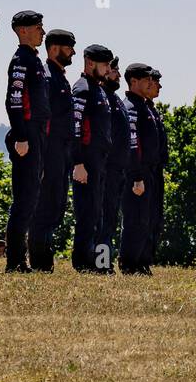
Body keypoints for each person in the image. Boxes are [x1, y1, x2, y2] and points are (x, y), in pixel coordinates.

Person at [2, 11, 49, 273]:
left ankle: (21, 259)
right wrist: (21, 136)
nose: (43, 32)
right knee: (24, 199)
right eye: (38, 27)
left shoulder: (34, 59)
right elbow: (15, 100)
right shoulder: (21, 60)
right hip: (27, 134)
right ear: (23, 31)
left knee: (31, 198)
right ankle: (15, 261)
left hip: (37, 134)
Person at [30, 29, 76, 271]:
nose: (73, 53)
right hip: (50, 151)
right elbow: (42, 118)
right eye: (69, 48)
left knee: (56, 205)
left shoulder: (60, 76)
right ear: (55, 48)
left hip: (62, 151)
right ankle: (39, 261)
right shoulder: (48, 76)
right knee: (45, 206)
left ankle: (44, 258)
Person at [70, 44, 115, 272]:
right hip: (86, 162)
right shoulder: (82, 89)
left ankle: (96, 263)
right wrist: (77, 162)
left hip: (99, 161)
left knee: (96, 214)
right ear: (89, 63)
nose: (108, 69)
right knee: (87, 214)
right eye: (105, 64)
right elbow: (75, 127)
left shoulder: (98, 89)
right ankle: (83, 263)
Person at [120, 63, 157, 275]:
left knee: (145, 219)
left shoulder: (142, 105)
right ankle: (129, 264)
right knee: (135, 219)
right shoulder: (132, 107)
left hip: (148, 171)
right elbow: (133, 145)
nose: (150, 83)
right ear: (133, 82)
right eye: (146, 80)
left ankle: (139, 263)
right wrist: (137, 176)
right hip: (137, 172)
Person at [99, 57, 132, 272]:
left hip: (117, 169)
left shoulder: (114, 98)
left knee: (110, 218)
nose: (118, 75)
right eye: (114, 70)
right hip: (106, 168)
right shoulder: (102, 97)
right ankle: (100, 262)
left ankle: (106, 261)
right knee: (102, 218)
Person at [146, 66, 168, 268]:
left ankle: (147, 260)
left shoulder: (152, 109)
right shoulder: (140, 109)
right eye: (155, 81)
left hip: (156, 170)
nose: (159, 86)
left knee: (155, 217)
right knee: (143, 217)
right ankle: (138, 260)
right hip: (145, 170)